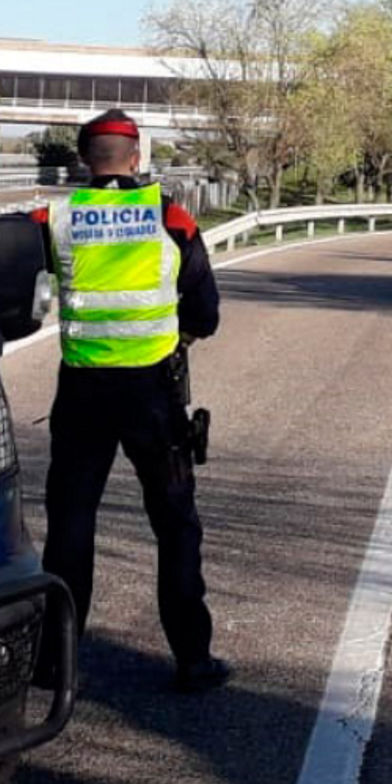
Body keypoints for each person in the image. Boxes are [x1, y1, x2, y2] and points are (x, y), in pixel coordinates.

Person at [39, 109, 229, 691]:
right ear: (136, 157)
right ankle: (192, 659)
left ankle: (55, 662)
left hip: (83, 391)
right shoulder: (169, 217)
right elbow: (205, 313)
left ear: (82, 158)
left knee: (70, 524)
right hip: (153, 392)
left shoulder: (56, 217)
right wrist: (175, 340)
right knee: (175, 525)